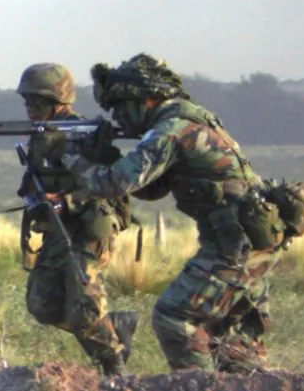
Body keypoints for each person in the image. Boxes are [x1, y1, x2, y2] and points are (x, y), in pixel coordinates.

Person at [56, 53, 283, 372]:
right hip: (254, 240)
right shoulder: (189, 120)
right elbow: (153, 188)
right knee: (230, 340)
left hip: (234, 246)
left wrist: (72, 158)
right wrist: (106, 154)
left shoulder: (171, 130)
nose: (119, 118)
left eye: (121, 107)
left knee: (174, 318)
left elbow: (113, 183)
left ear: (145, 100)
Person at [17, 63, 137, 376]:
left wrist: (68, 199)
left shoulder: (85, 136)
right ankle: (113, 328)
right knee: (42, 304)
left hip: (89, 228)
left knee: (85, 309)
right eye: (27, 101)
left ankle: (115, 370)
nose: (30, 108)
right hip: (59, 230)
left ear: (58, 101)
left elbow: (107, 185)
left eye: (37, 102)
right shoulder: (43, 135)